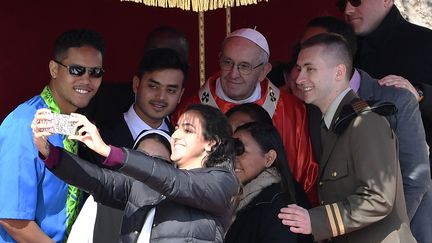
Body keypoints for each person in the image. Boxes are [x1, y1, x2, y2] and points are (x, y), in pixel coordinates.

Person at [298, 15, 432, 242]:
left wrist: (391, 234)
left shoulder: (375, 112)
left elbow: (413, 180)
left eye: (310, 68)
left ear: (339, 69)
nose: (300, 78)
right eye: (300, 67)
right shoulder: (318, 110)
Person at [31, 104, 240, 243]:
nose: (175, 135)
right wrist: (48, 152)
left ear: (211, 143)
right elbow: (100, 180)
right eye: (176, 128)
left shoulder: (222, 181)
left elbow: (177, 182)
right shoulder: (153, 181)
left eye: (187, 130)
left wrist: (107, 150)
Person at [174, 27, 319, 205]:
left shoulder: (291, 111)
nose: (234, 74)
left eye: (244, 66)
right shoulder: (190, 110)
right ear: (219, 59)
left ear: (264, 70)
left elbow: (305, 173)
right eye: (228, 63)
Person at [0, 29, 104, 243]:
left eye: (96, 72)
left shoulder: (75, 124)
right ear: (54, 69)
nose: (87, 80)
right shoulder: (24, 123)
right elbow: (12, 219)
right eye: (77, 70)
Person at [78, 47, 187, 243]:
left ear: (181, 94)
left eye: (171, 90)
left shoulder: (185, 147)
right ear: (137, 84)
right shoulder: (98, 139)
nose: (161, 97)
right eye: (153, 86)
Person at [339, 0, 432, 168]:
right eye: (341, 3)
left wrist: (420, 94)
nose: (348, 9)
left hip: (414, 174)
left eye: (356, 1)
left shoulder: (425, 43)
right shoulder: (340, 47)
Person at [67, 129, 172, 243]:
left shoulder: (173, 211)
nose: (148, 168)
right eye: (141, 158)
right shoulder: (98, 201)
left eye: (159, 162)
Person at [225, 122, 312, 243]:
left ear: (269, 158)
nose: (232, 158)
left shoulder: (277, 205)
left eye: (239, 150)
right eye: (229, 151)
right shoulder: (236, 198)